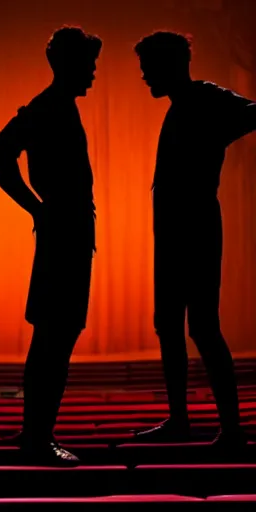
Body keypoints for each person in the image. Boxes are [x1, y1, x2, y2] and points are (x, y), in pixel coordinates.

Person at [0, 26, 101, 465]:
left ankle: (36, 432)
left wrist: (37, 210)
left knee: (51, 338)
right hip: (64, 237)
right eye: (87, 66)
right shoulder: (47, 108)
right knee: (57, 337)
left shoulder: (54, 107)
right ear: (67, 65)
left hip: (66, 234)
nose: (92, 74)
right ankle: (39, 439)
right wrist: (36, 209)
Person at [134, 31, 256, 446]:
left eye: (149, 70)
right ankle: (182, 421)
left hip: (196, 229)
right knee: (169, 325)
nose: (146, 77)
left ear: (171, 65)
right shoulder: (188, 102)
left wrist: (223, 131)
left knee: (202, 327)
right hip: (175, 231)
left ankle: (231, 430)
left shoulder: (205, 97)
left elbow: (252, 113)